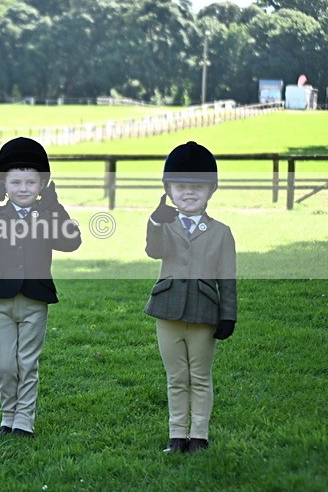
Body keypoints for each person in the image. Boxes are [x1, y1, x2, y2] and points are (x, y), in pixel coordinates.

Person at [0, 137, 82, 437]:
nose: (24, 189)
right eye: (15, 182)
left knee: (26, 363)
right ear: (4, 185)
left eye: (31, 182)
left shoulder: (47, 215)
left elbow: (71, 241)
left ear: (42, 184)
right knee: (5, 365)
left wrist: (56, 208)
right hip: (2, 300)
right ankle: (8, 415)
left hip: (35, 300)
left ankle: (23, 420)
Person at [144, 141, 237, 454]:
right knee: (176, 377)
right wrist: (156, 221)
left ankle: (199, 436)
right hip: (167, 311)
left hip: (203, 314)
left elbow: (228, 278)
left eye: (197, 186)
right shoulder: (164, 225)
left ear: (211, 190)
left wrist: (229, 314)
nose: (188, 193)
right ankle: (176, 436)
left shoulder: (222, 232)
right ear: (168, 189)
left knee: (199, 376)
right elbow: (154, 250)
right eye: (181, 186)